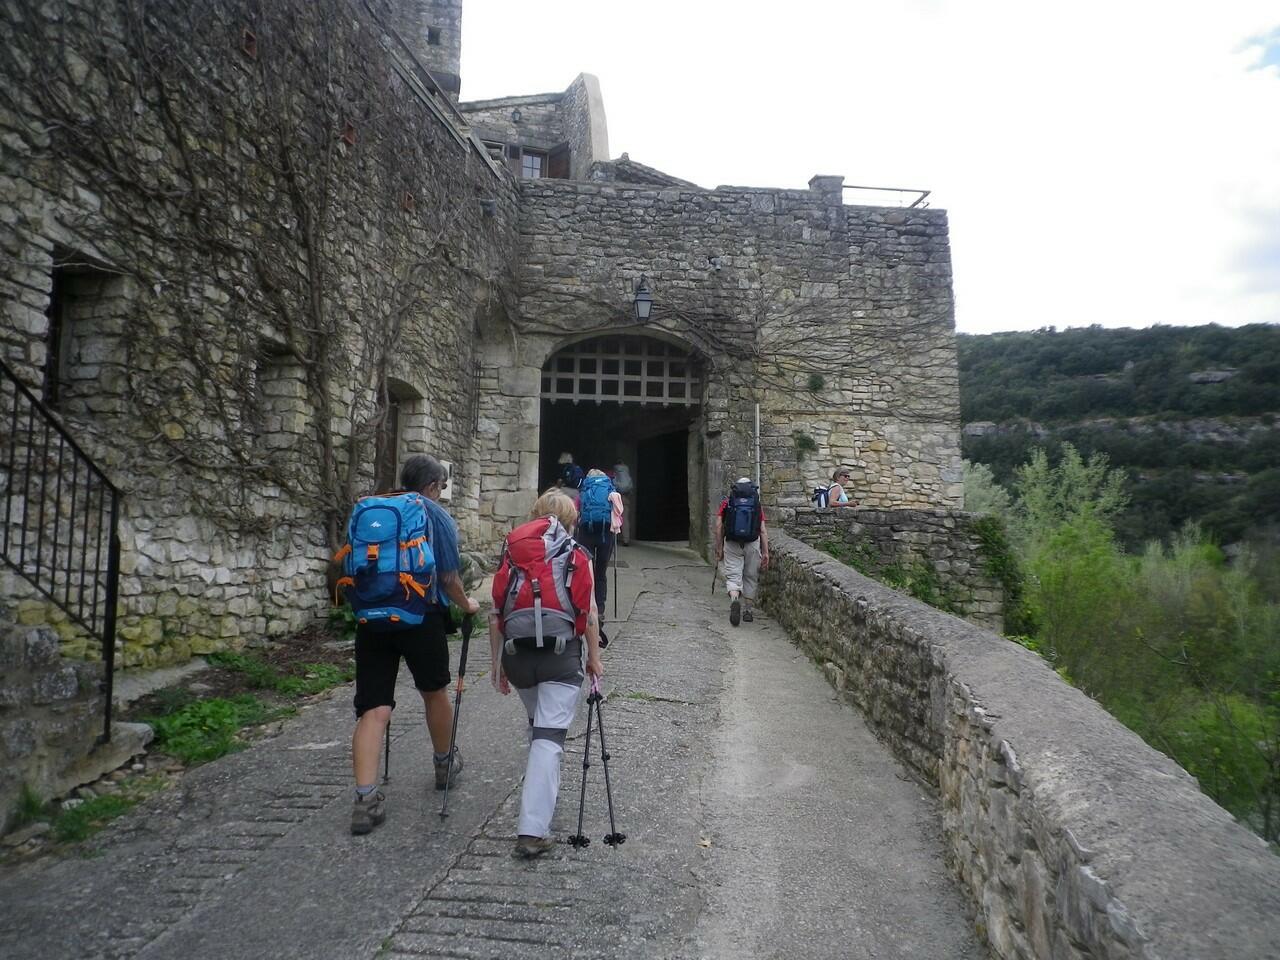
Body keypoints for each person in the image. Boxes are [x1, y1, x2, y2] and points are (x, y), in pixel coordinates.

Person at [346, 454, 480, 835]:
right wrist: (467, 604)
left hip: (372, 618)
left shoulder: (371, 508)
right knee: (434, 693)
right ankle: (444, 763)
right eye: (440, 486)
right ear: (433, 486)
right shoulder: (436, 515)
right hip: (421, 617)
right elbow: (449, 577)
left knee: (373, 708)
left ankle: (365, 800)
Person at [489, 489, 605, 859]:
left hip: (517, 657)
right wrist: (594, 658)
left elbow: (496, 611)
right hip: (560, 657)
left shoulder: (512, 550)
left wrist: (496, 664)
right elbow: (589, 611)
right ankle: (532, 830)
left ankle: (540, 790)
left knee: (538, 726)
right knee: (549, 738)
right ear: (573, 521)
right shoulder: (577, 553)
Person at [715, 477, 769, 626]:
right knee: (750, 576)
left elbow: (718, 527)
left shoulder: (727, 502)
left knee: (733, 576)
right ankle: (748, 611)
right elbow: (763, 530)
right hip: (752, 543)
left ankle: (734, 599)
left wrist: (719, 547)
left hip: (732, 543)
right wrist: (765, 552)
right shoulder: (756, 503)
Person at [574, 468, 624, 617]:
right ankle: (600, 609)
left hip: (586, 533)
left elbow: (575, 513)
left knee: (585, 571)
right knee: (601, 572)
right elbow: (619, 513)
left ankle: (586, 606)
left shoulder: (584, 491)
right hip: (605, 534)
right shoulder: (611, 491)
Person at [612, 458, 634, 546]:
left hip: (616, 497)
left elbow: (612, 483)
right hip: (625, 498)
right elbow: (631, 487)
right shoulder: (627, 472)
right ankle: (626, 539)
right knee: (625, 519)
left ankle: (614, 538)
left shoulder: (615, 470)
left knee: (614, 518)